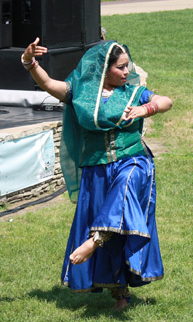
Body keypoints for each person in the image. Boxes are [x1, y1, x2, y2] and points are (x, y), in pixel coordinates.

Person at [21, 38, 173, 310]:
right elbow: (48, 85)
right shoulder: (81, 92)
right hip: (97, 170)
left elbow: (166, 101)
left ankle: (93, 241)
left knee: (125, 189)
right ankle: (120, 292)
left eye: (128, 67)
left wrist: (145, 108)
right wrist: (29, 62)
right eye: (121, 68)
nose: (127, 72)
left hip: (133, 161)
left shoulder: (134, 92)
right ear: (104, 68)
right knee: (117, 223)